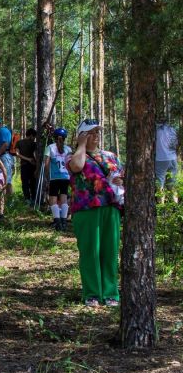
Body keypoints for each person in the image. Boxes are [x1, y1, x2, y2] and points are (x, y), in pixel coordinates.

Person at [68, 119, 124, 308]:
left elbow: (122, 175)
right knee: (90, 251)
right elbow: (76, 167)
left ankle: (110, 293)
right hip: (86, 209)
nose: (96, 136)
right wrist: (81, 145)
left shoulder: (110, 156)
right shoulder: (73, 155)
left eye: (97, 132)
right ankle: (92, 293)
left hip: (110, 206)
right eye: (90, 133)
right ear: (82, 135)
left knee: (110, 251)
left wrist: (119, 182)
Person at [44, 128, 72, 230]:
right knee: (64, 197)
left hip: (54, 177)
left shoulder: (50, 147)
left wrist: (47, 176)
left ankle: (57, 221)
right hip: (66, 176)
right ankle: (64, 221)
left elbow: (46, 163)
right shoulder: (68, 149)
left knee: (53, 199)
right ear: (65, 138)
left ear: (54, 137)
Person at [155, 117, 179, 203]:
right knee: (172, 185)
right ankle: (175, 206)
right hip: (173, 158)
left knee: (160, 185)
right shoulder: (172, 130)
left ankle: (161, 207)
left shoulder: (156, 130)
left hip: (160, 159)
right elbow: (175, 144)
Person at [16, 128, 38, 206]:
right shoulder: (34, 144)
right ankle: (33, 199)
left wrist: (27, 159)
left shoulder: (19, 142)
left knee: (25, 183)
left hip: (24, 165)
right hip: (32, 165)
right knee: (32, 183)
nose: (34, 139)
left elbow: (17, 154)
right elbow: (36, 155)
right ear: (31, 135)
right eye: (34, 137)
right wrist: (30, 159)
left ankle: (27, 199)